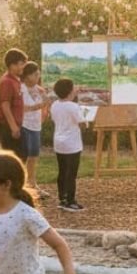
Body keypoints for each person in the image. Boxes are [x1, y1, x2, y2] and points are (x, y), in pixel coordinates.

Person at [49, 78, 87, 211]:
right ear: (70, 91)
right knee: (71, 173)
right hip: (72, 144)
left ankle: (62, 198)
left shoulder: (55, 105)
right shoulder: (73, 107)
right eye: (74, 87)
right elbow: (82, 124)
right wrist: (86, 121)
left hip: (59, 142)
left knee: (62, 171)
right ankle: (71, 201)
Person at [19, 62, 49, 200]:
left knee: (34, 156)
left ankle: (32, 184)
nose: (38, 77)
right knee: (24, 156)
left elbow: (46, 103)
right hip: (24, 125)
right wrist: (39, 106)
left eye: (39, 74)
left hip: (36, 126)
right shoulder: (21, 88)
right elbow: (22, 107)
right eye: (35, 74)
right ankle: (20, 186)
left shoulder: (39, 89)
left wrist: (45, 109)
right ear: (27, 76)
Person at [0, 48, 28, 160]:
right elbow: (5, 105)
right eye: (20, 64)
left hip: (17, 124)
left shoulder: (16, 79)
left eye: (23, 64)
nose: (23, 67)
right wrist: (13, 127)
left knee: (22, 156)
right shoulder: (7, 81)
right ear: (12, 65)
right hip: (7, 125)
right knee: (13, 159)